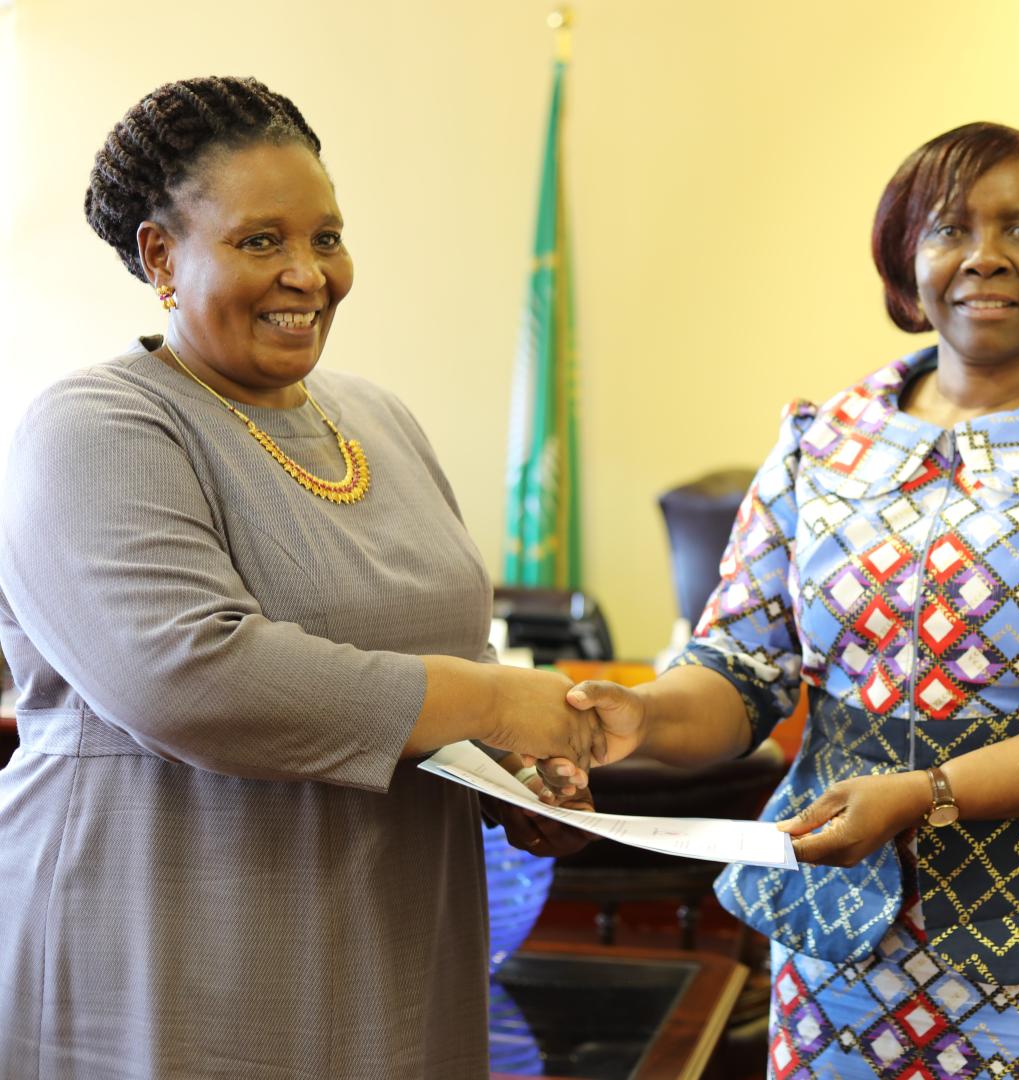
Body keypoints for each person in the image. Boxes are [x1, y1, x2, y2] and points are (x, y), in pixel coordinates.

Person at [566, 122, 1019, 1079]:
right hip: (839, 938)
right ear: (905, 259)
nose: (986, 257)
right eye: (949, 229)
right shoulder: (821, 439)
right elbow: (740, 667)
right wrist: (644, 714)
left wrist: (924, 797)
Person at [0, 76, 595, 1079]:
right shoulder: (94, 426)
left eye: (325, 237)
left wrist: (519, 778)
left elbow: (442, 646)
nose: (308, 274)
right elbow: (191, 676)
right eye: (260, 240)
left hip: (395, 946)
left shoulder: (379, 419)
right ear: (160, 256)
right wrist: (492, 702)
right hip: (169, 958)